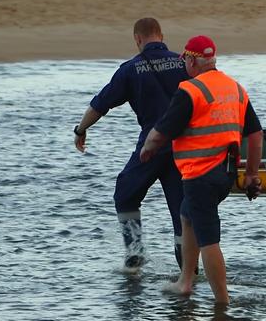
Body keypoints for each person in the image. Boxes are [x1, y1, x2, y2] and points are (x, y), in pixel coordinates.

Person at [140, 35, 263, 304]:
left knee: (209, 238)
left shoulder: (190, 90)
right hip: (225, 174)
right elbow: (255, 135)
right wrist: (252, 174)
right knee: (187, 216)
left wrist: (147, 148)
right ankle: (185, 282)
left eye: (185, 59)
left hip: (200, 175)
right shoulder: (236, 89)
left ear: (193, 60)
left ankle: (222, 302)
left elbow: (161, 132)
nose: (184, 64)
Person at [74, 18, 190, 269]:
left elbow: (100, 104)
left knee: (125, 195)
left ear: (137, 39)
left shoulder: (130, 69)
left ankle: (135, 254)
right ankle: (190, 272)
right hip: (184, 149)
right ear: (161, 35)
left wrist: (81, 129)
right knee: (182, 214)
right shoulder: (182, 63)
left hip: (151, 147)